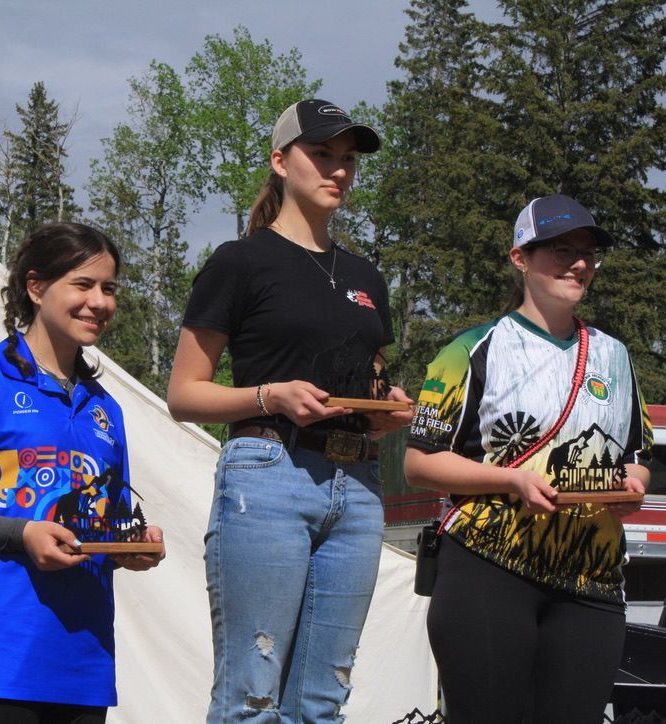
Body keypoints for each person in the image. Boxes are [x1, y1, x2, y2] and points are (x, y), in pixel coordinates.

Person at [166, 99, 414, 722]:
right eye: (322, 154)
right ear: (280, 161)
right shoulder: (240, 261)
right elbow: (184, 394)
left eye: (349, 160)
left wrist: (386, 408)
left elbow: (370, 377)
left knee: (323, 701)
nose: (338, 170)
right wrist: (268, 395)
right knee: (253, 696)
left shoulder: (365, 276)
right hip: (266, 474)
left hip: (357, 487)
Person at [0, 222, 164, 724]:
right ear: (36, 287)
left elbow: (104, 520)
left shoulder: (105, 409)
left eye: (109, 288)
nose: (100, 302)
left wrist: (133, 544)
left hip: (82, 666)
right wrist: (23, 534)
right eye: (83, 285)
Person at [404, 195, 653, 724]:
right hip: (489, 572)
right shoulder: (471, 350)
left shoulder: (615, 355)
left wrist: (633, 482)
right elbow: (420, 463)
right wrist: (512, 479)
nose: (579, 263)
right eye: (562, 249)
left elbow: (637, 454)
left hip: (591, 580)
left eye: (589, 253)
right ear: (520, 257)